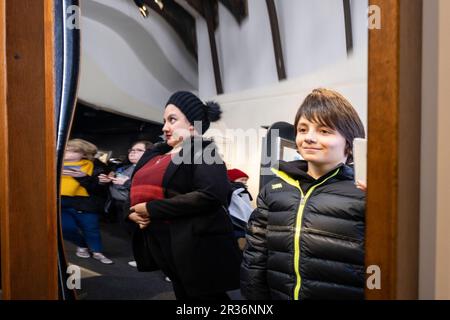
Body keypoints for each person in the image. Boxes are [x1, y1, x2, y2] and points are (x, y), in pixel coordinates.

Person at [241, 88, 366, 300]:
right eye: (303, 129)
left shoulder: (364, 194)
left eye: (324, 131)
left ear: (350, 142)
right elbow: (255, 257)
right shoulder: (274, 191)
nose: (309, 138)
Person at [128, 91, 241, 300]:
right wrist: (133, 212)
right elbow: (135, 186)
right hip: (163, 241)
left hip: (194, 245)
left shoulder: (203, 152)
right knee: (184, 294)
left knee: (205, 298)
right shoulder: (158, 154)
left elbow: (211, 194)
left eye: (172, 119)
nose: (164, 127)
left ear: (193, 125)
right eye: (164, 121)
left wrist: (151, 209)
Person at [99, 141, 153, 268]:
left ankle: (161, 264)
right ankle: (143, 258)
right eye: (132, 150)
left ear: (149, 153)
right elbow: (116, 182)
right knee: (133, 234)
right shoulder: (126, 167)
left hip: (137, 207)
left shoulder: (149, 168)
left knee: (146, 236)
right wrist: (106, 181)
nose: (132, 152)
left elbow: (147, 189)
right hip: (121, 205)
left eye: (138, 150)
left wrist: (127, 182)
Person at [61, 139, 113, 264]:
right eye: (66, 150)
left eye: (72, 151)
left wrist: (82, 177)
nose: (67, 153)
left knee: (91, 228)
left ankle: (97, 251)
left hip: (87, 203)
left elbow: (99, 188)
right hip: (60, 201)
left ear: (84, 154)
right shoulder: (55, 163)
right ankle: (82, 244)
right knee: (65, 228)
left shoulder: (96, 166)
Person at [227, 169, 254, 250]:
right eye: (242, 180)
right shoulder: (237, 191)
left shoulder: (241, 191)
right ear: (232, 179)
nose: (245, 182)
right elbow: (245, 212)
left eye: (246, 180)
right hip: (238, 228)